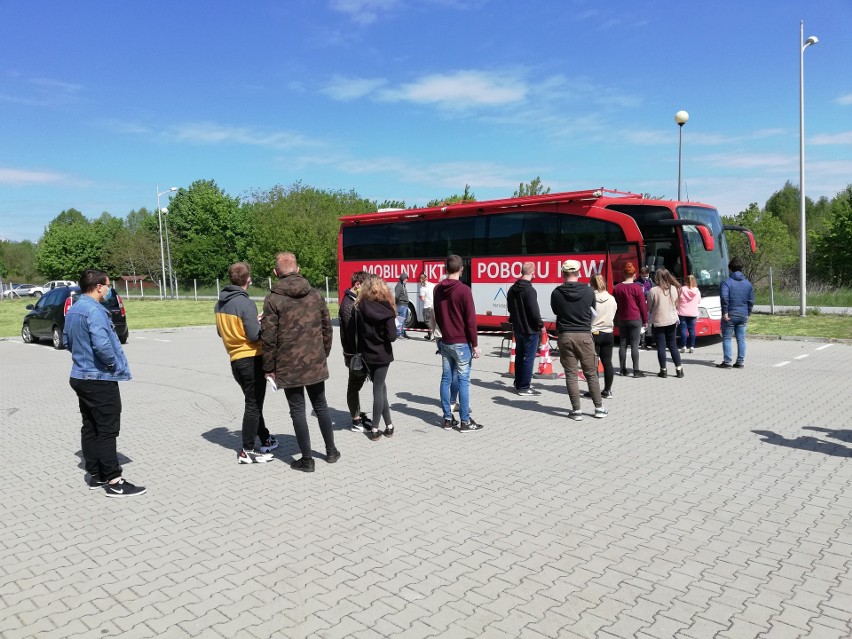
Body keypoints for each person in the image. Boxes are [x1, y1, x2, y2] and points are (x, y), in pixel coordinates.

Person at [64, 269, 145, 497]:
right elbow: (102, 345)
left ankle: (96, 474)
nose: (109, 290)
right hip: (98, 378)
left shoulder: (73, 309)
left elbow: (68, 341)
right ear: (99, 286)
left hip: (80, 375)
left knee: (90, 426)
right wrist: (112, 365)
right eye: (108, 286)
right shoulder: (95, 311)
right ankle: (114, 480)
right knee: (108, 429)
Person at [262, 252, 338, 472]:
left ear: (276, 273)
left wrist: (269, 368)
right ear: (299, 269)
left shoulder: (273, 299)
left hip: (288, 364)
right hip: (315, 360)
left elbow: (268, 338)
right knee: (321, 405)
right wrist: (323, 354)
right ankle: (331, 450)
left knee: (297, 410)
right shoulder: (315, 295)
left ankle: (307, 459)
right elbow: (327, 329)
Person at [215, 262, 278, 464]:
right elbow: (253, 335)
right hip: (251, 358)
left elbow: (220, 332)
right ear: (248, 279)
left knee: (254, 403)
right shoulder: (245, 303)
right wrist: (260, 324)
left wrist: (251, 321)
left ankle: (265, 437)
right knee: (253, 405)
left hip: (235, 359)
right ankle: (247, 449)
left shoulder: (220, 303)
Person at [551, 260, 608, 420]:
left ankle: (576, 411)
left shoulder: (556, 293)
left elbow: (555, 310)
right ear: (578, 272)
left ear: (563, 274)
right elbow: (593, 310)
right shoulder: (589, 292)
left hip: (565, 336)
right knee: (591, 373)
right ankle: (599, 408)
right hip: (584, 335)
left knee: (571, 374)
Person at [433, 254, 483, 432]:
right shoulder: (464, 290)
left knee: (446, 379)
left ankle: (447, 419)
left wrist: (444, 333)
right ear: (462, 269)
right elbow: (470, 320)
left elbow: (437, 314)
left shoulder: (437, 289)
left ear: (446, 269)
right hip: (461, 343)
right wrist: (475, 344)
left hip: (445, 341)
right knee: (463, 380)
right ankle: (465, 421)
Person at [356, 275, 398, 440]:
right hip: (382, 354)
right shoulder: (387, 309)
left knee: (381, 388)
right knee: (378, 390)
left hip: (367, 353)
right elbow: (392, 336)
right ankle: (375, 428)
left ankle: (389, 425)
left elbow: (358, 332)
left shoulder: (360, 307)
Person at [339, 270, 372, 432]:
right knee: (353, 386)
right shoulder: (347, 305)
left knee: (357, 385)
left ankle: (357, 414)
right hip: (355, 355)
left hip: (360, 353)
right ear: (357, 285)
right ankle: (356, 420)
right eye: (366, 287)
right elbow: (352, 333)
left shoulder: (354, 301)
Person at [506, 261, 545, 396]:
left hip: (518, 328)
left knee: (519, 356)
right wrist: (541, 325)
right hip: (530, 329)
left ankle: (518, 383)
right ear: (532, 272)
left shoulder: (512, 289)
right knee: (529, 358)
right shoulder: (530, 290)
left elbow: (510, 308)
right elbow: (534, 312)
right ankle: (524, 387)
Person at [647, 268, 684, 378]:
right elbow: (676, 304)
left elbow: (649, 307)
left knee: (661, 347)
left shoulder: (653, 291)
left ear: (657, 278)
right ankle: (679, 369)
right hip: (672, 320)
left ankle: (663, 370)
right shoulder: (673, 289)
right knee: (673, 345)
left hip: (658, 322)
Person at [718, 257, 754, 369]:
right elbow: (751, 300)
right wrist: (748, 312)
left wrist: (725, 312)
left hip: (730, 314)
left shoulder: (726, 282)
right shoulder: (748, 284)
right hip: (743, 314)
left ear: (730, 269)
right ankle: (740, 362)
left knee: (727, 338)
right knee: (741, 339)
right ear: (741, 268)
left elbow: (724, 297)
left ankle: (727, 361)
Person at [613, 263, 648, 378]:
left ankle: (622, 369)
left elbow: (615, 304)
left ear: (623, 274)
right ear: (634, 274)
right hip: (635, 318)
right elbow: (642, 306)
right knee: (634, 345)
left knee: (622, 344)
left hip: (622, 318)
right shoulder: (637, 288)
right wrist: (645, 321)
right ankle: (636, 371)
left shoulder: (617, 288)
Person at [588, 273, 617, 399]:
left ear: (592, 284)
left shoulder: (590, 298)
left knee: (592, 364)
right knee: (607, 363)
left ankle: (593, 391)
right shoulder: (611, 298)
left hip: (594, 332)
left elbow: (587, 315)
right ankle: (608, 390)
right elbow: (614, 313)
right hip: (608, 333)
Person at [677, 274, 702, 353]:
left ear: (685, 281)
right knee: (692, 330)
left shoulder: (681, 289)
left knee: (683, 330)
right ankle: (692, 347)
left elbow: (677, 299)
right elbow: (699, 301)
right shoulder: (697, 291)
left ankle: (683, 346)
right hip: (693, 313)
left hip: (682, 312)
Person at [418, 273, 435, 341]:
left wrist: (421, 297)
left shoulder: (422, 287)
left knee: (427, 321)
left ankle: (432, 335)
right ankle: (429, 335)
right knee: (432, 320)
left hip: (427, 306)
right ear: (427, 278)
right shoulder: (432, 285)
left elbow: (422, 298)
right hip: (432, 305)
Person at [394, 271, 410, 339]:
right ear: (402, 278)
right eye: (406, 278)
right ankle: (398, 334)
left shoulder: (403, 285)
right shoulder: (399, 286)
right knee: (400, 320)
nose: (407, 280)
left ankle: (402, 333)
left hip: (405, 305)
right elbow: (396, 296)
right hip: (401, 305)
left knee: (403, 321)